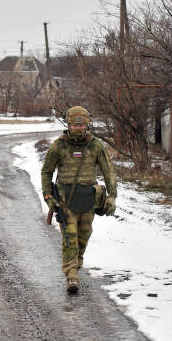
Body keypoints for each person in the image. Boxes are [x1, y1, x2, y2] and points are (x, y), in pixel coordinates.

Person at [41, 106, 117, 294]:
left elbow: (109, 171)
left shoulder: (96, 146)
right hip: (66, 202)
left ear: (87, 124)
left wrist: (112, 196)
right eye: (74, 124)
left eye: (81, 124)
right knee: (70, 239)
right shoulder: (59, 146)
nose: (78, 128)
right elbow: (46, 172)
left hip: (88, 201)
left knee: (84, 237)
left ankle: (76, 263)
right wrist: (48, 196)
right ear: (68, 124)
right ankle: (71, 275)